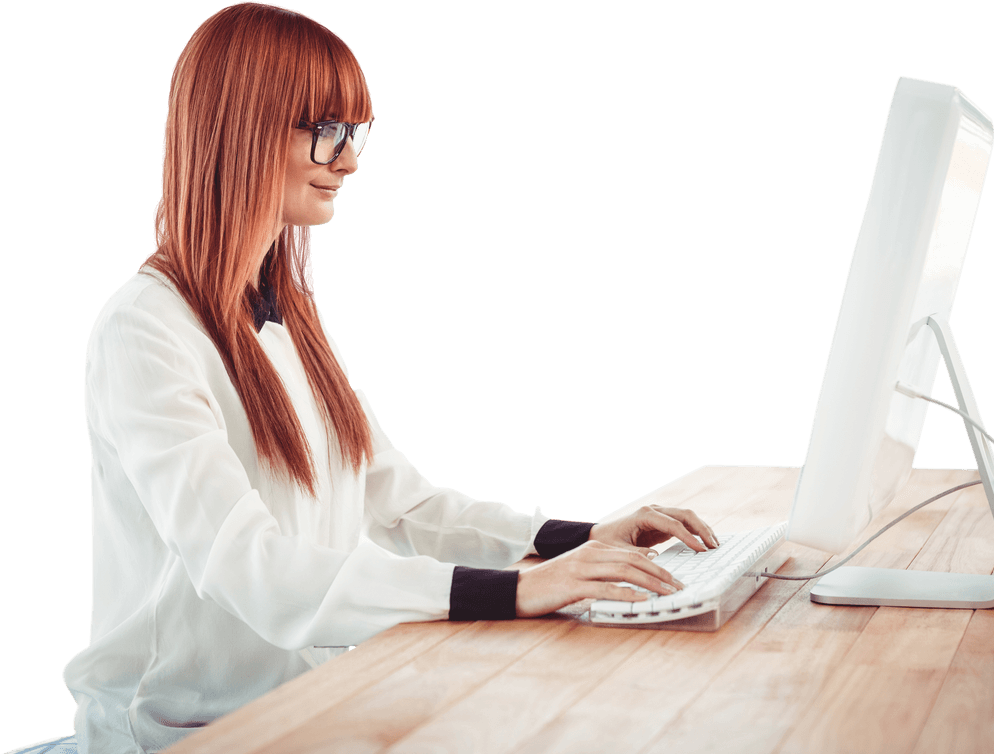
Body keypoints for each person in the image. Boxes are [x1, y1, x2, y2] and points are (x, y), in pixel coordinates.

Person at [61, 3, 719, 752]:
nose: (350, 161)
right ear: (242, 126)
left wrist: (571, 540)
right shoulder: (144, 332)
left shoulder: (296, 321)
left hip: (298, 713)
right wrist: (516, 593)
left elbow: (403, 506)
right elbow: (247, 568)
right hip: (175, 739)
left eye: (357, 134)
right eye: (328, 133)